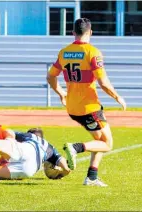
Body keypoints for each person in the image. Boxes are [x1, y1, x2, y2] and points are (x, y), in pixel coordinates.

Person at [47, 18, 127, 187]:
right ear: (90, 32)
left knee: (98, 140)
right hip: (89, 107)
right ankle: (75, 148)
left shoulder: (64, 52)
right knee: (107, 143)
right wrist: (117, 97)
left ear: (73, 33)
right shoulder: (93, 52)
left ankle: (91, 177)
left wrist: (61, 93)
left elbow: (51, 76)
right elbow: (103, 83)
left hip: (73, 108)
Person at [0, 121, 70, 181]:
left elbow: (9, 131)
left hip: (27, 149)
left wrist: (9, 139)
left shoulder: (29, 136)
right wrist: (61, 173)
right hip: (31, 169)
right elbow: (65, 166)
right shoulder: (50, 147)